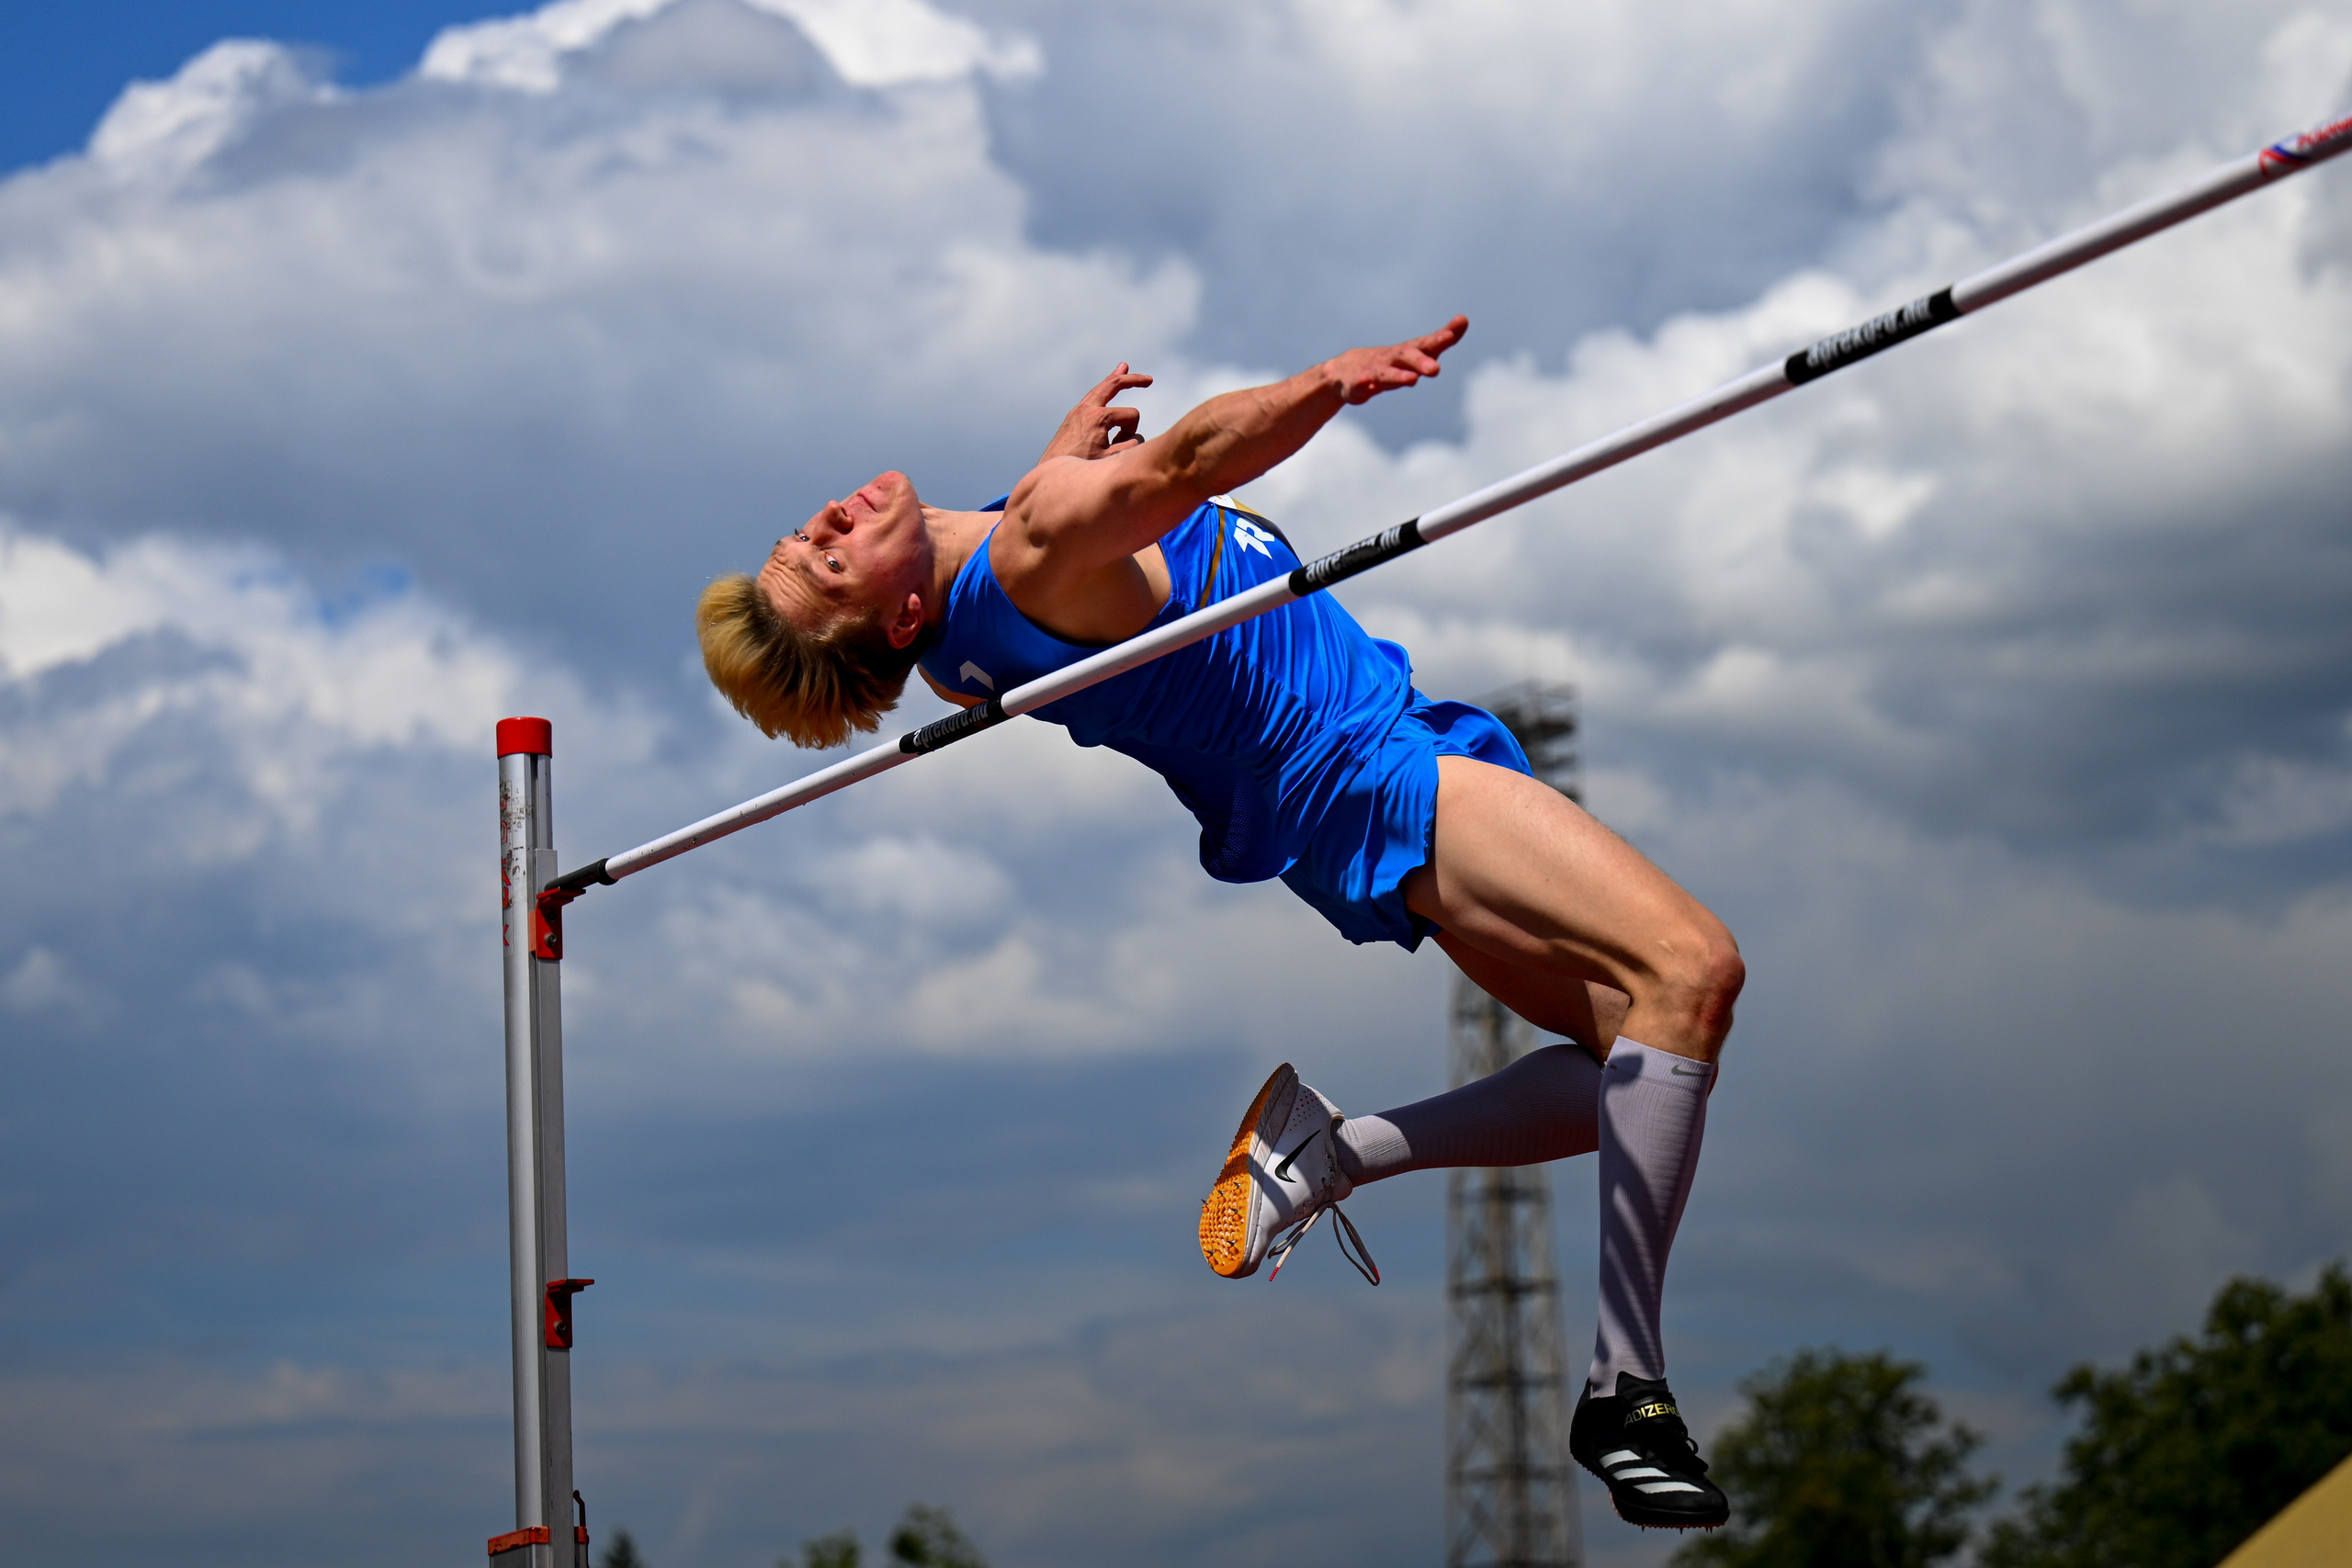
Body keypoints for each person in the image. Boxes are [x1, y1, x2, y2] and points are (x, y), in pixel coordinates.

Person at [695, 318, 1745, 1531]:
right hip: (1369, 772)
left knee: (1645, 1059)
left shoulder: (965, 624)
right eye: (828, 561)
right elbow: (1189, 464)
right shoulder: (1034, 545)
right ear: (892, 617)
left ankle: (1333, 1153)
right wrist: (1323, 386)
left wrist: (1057, 468)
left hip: (1342, 786)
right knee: (1692, 969)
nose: (826, 522)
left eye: (803, 532)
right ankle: (1628, 1389)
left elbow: (1031, 572)